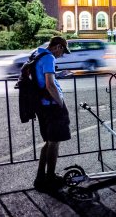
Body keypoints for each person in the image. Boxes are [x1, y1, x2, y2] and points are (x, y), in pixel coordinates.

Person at [33, 36, 72, 193]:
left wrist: (58, 74)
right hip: (52, 105)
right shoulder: (49, 57)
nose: (61, 55)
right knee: (54, 142)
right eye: (62, 51)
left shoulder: (37, 54)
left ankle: (41, 177)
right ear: (58, 47)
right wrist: (60, 103)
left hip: (41, 106)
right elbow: (49, 85)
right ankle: (50, 178)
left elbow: (43, 78)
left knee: (49, 141)